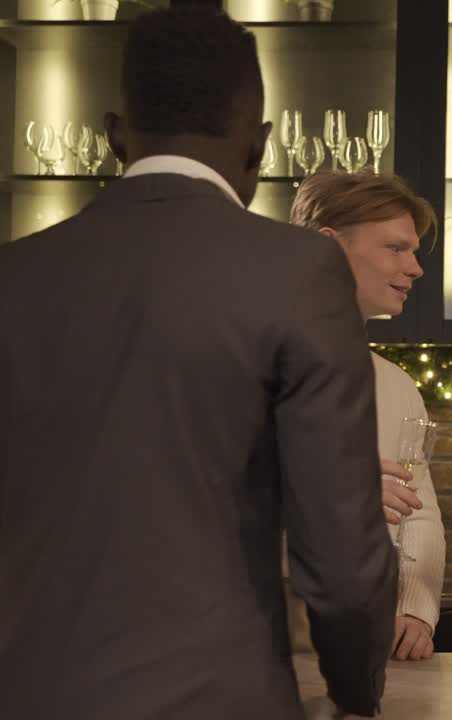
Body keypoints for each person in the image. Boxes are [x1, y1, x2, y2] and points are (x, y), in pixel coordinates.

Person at [0, 8, 398, 719]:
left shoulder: (16, 276)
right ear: (262, 145)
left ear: (113, 135)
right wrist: (356, 694)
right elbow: (342, 566)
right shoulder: (298, 272)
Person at [288, 170, 446, 662]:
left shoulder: (397, 385)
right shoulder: (247, 365)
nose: (415, 268)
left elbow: (421, 512)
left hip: (372, 658)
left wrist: (416, 610)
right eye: (395, 249)